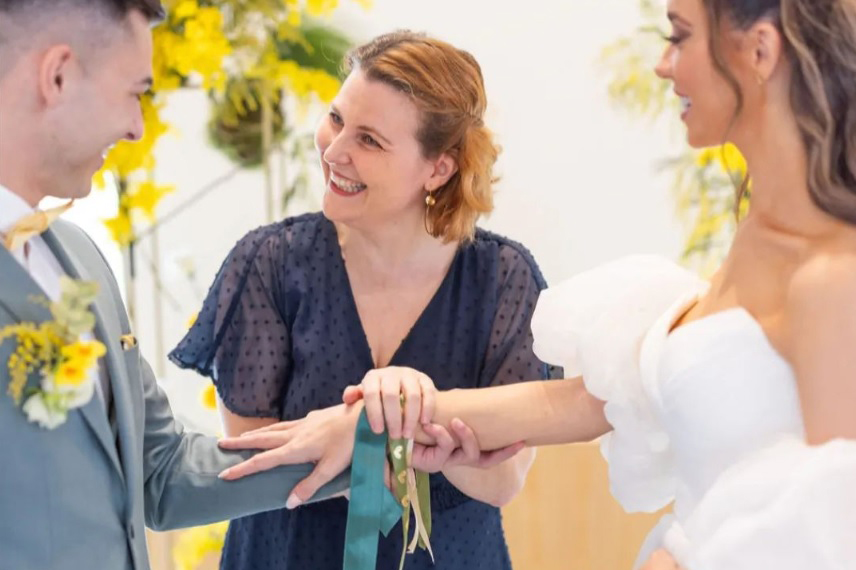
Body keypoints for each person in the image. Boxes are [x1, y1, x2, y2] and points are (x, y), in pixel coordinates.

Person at [219, 1, 856, 568]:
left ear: (759, 50)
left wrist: (687, 557)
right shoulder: (758, 236)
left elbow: (832, 516)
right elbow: (582, 404)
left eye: (679, 35)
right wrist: (384, 420)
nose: (663, 64)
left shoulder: (831, 274)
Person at [169, 30, 555, 570]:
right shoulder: (270, 263)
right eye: (336, 118)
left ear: (438, 168)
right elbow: (257, 463)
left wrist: (385, 429)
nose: (334, 150)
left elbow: (503, 478)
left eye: (369, 140)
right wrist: (403, 434)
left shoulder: (505, 280)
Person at [0, 2, 348, 569]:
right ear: (57, 76)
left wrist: (352, 447)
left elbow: (161, 470)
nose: (137, 127)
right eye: (134, 91)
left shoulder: (81, 258)